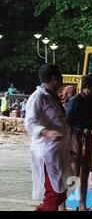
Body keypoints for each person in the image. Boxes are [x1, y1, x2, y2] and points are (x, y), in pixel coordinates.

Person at [25, 64, 71, 211]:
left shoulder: (53, 95)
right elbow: (29, 123)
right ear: (54, 78)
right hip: (47, 153)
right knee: (53, 194)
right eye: (60, 75)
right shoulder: (37, 97)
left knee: (64, 191)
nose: (63, 77)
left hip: (59, 150)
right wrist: (46, 132)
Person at [66, 74, 92, 211]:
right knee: (73, 174)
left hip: (87, 138)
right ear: (87, 87)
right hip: (75, 138)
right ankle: (69, 202)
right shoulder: (75, 101)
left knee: (85, 174)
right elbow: (67, 122)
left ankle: (82, 204)